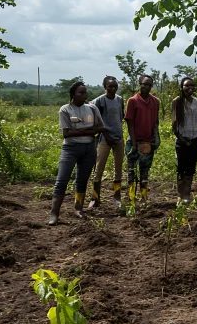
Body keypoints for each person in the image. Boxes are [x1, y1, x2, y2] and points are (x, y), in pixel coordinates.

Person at [49, 81, 106, 225]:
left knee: (82, 180)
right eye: (80, 92)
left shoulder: (92, 109)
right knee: (62, 180)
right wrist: (88, 131)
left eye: (85, 92)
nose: (84, 95)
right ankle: (54, 214)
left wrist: (80, 131)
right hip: (71, 148)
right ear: (73, 94)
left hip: (89, 148)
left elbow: (100, 127)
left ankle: (78, 209)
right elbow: (67, 134)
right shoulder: (65, 110)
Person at [171, 77, 197, 204]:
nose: (190, 88)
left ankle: (187, 195)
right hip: (182, 140)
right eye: (187, 86)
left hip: (195, 139)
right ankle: (180, 195)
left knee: (191, 169)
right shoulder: (177, 102)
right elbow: (174, 124)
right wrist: (182, 139)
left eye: (192, 86)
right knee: (181, 169)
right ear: (181, 87)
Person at [88, 76, 125, 209]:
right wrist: (106, 134)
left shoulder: (119, 99)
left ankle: (117, 197)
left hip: (119, 137)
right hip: (104, 138)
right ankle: (95, 197)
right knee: (98, 169)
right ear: (105, 87)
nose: (113, 88)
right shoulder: (98, 101)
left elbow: (120, 117)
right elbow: (94, 120)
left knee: (118, 168)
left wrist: (117, 135)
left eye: (115, 86)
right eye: (110, 86)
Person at [124, 74, 160, 204]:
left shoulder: (155, 101)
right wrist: (134, 144)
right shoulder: (132, 101)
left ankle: (144, 198)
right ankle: (131, 198)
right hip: (134, 141)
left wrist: (156, 138)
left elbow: (156, 122)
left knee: (145, 173)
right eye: (143, 84)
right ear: (139, 84)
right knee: (131, 172)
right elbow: (130, 123)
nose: (146, 87)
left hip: (148, 142)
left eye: (149, 85)